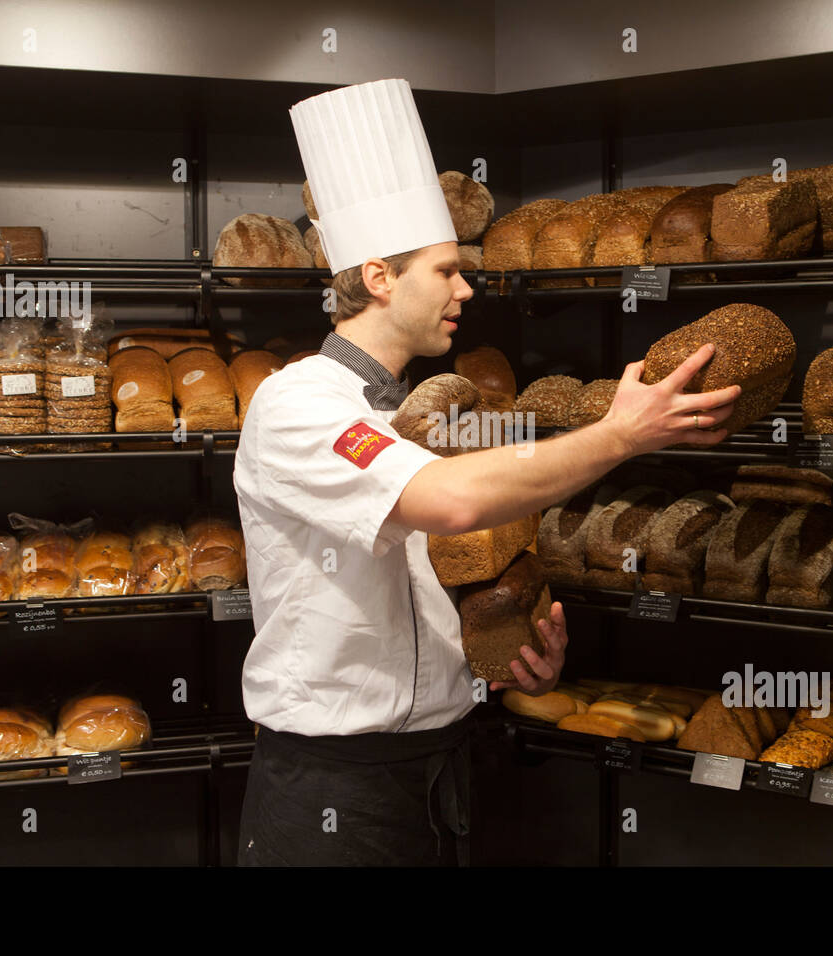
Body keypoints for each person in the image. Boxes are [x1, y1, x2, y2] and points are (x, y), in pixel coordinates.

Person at [232, 78, 740, 866]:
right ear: (377, 278)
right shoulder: (297, 405)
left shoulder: (430, 412)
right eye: (444, 271)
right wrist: (619, 435)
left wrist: (508, 654)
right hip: (330, 790)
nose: (466, 288)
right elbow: (446, 503)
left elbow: (438, 574)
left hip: (444, 769)